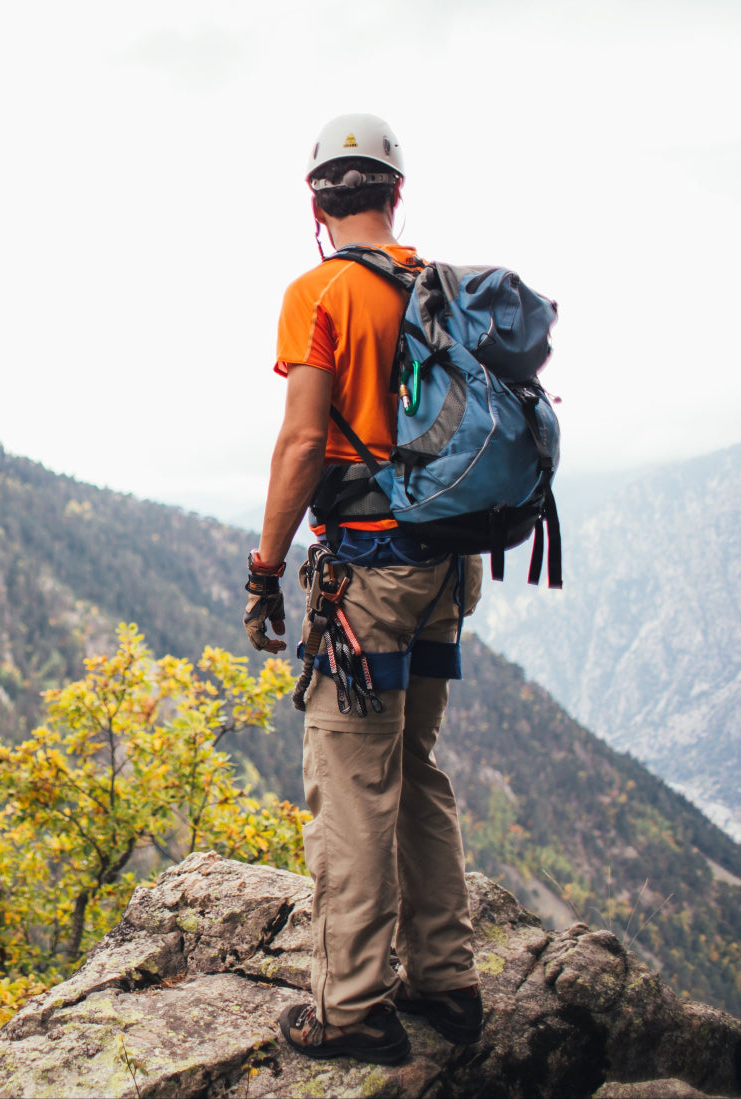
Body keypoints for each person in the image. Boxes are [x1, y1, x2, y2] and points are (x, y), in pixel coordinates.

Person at [242, 113, 484, 1065]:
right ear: (394, 194)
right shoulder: (440, 287)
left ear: (317, 203)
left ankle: (350, 1010)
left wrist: (266, 570)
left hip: (368, 576)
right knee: (416, 765)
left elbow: (304, 441)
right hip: (448, 567)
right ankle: (447, 981)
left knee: (350, 779)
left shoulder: (320, 291)